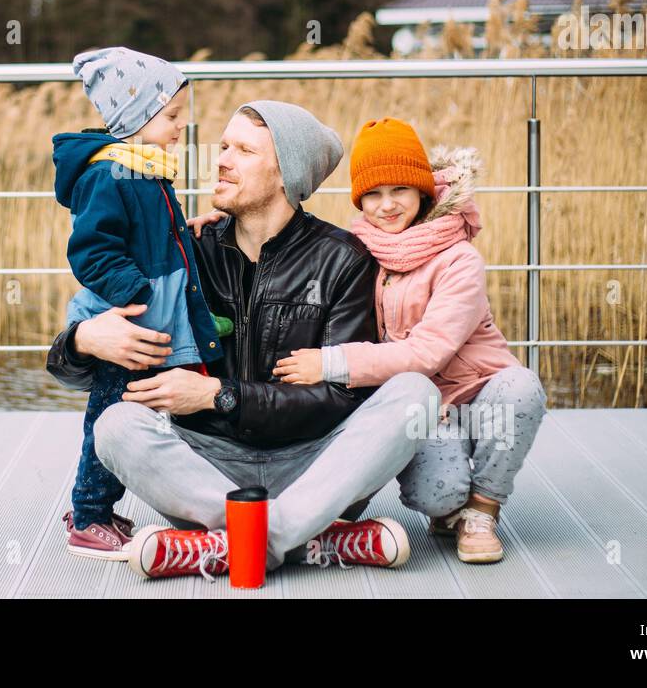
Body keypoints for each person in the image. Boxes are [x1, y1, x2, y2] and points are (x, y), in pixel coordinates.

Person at [45, 101, 440, 579]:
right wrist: (84, 339)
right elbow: (71, 369)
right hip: (208, 470)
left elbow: (340, 397)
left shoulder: (343, 259)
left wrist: (220, 395)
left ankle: (237, 543)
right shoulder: (187, 252)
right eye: (225, 146)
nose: (221, 159)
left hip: (314, 467)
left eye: (243, 150)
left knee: (417, 395)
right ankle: (308, 541)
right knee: (114, 425)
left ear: (285, 175)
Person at [273, 117, 548, 563]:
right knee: (436, 495)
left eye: (399, 190)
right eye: (373, 195)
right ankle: (451, 508)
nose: (387, 206)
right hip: (419, 404)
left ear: (422, 190)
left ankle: (482, 508)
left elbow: (428, 351)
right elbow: (294, 244)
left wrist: (331, 363)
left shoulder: (459, 259)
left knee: (521, 387)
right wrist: (218, 224)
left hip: (478, 396)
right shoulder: (358, 251)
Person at [53, 46, 228, 559]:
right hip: (129, 324)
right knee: (112, 413)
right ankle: (88, 516)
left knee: (131, 409)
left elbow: (151, 237)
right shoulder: (108, 175)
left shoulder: (145, 168)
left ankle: (97, 506)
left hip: (151, 317)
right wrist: (135, 291)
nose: (180, 127)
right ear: (137, 114)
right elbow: (92, 249)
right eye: (171, 116)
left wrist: (188, 234)